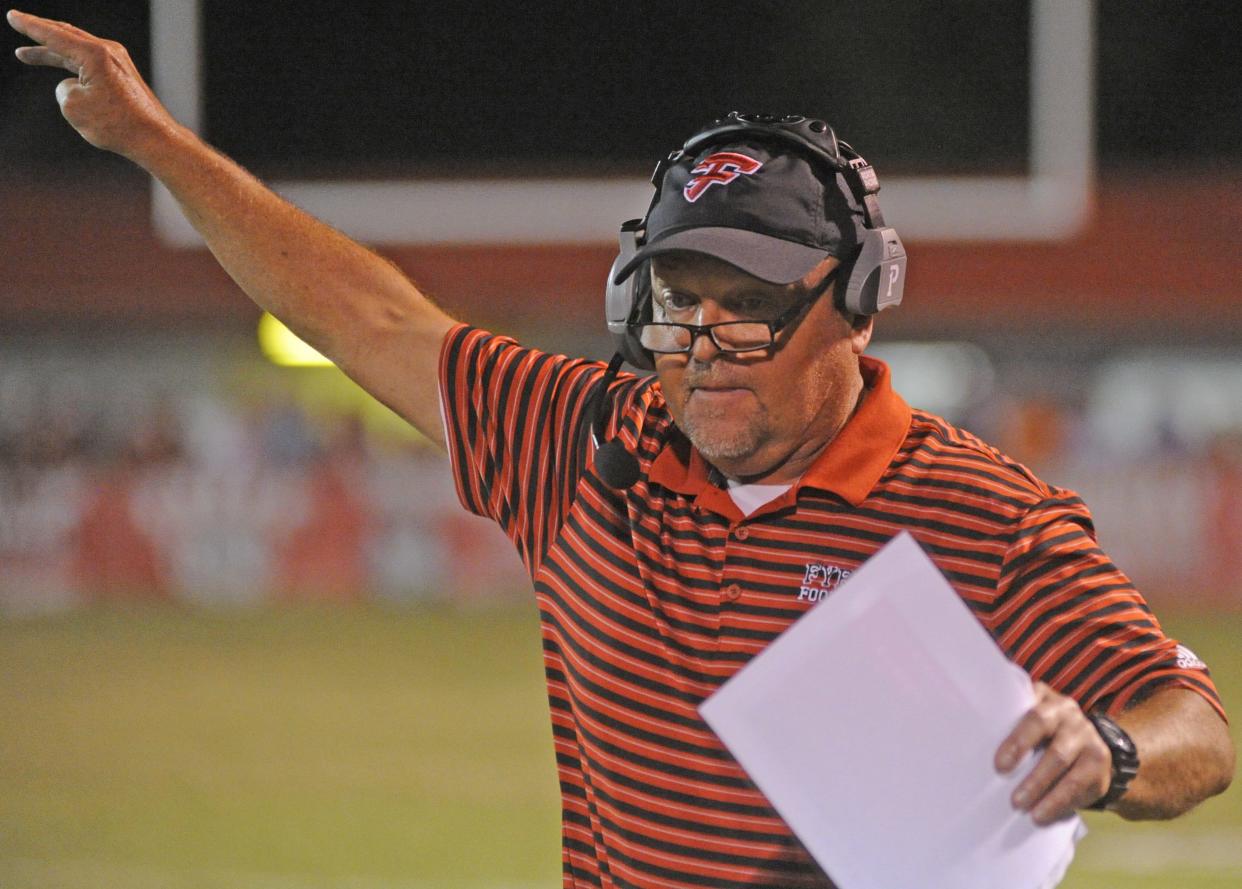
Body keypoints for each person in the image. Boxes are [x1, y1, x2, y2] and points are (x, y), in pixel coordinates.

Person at [8, 9, 1234, 888]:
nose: (699, 342)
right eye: (674, 299)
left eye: (746, 300)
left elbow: (1194, 723)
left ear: (856, 301)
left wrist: (1111, 749)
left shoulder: (985, 512)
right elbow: (366, 314)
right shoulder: (591, 437)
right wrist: (159, 146)